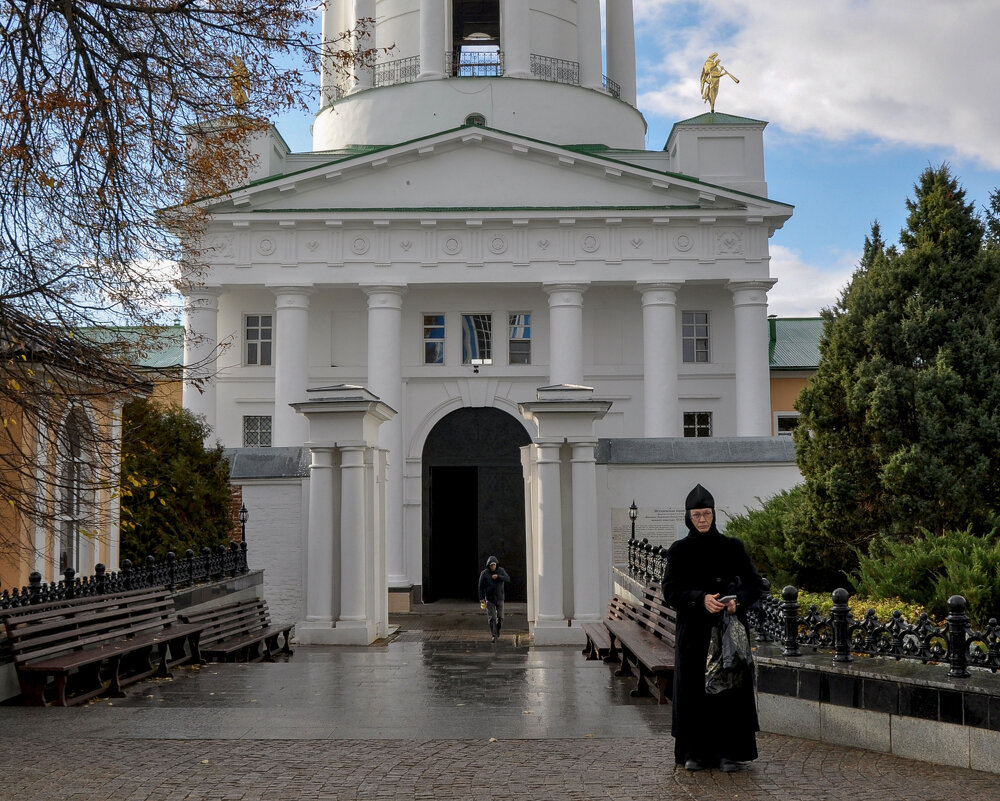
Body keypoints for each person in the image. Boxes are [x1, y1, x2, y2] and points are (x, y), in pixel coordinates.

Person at [661, 484, 764, 773]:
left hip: (727, 633)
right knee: (694, 691)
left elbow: (756, 584)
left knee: (729, 694)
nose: (702, 520)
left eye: (706, 514)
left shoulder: (732, 547)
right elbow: (670, 591)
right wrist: (699, 599)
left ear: (714, 515)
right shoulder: (679, 551)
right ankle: (694, 752)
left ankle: (728, 753)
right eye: (697, 515)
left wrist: (737, 602)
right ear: (688, 517)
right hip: (694, 635)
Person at [478, 555, 510, 642]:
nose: (493, 566)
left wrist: (499, 577)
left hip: (500, 598)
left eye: (494, 564)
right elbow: (480, 586)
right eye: (491, 565)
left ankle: (498, 629)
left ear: (496, 565)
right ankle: (494, 635)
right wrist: (481, 598)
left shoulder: (501, 571)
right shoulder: (484, 573)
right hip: (489, 599)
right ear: (488, 565)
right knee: (491, 617)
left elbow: (508, 579)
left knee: (500, 617)